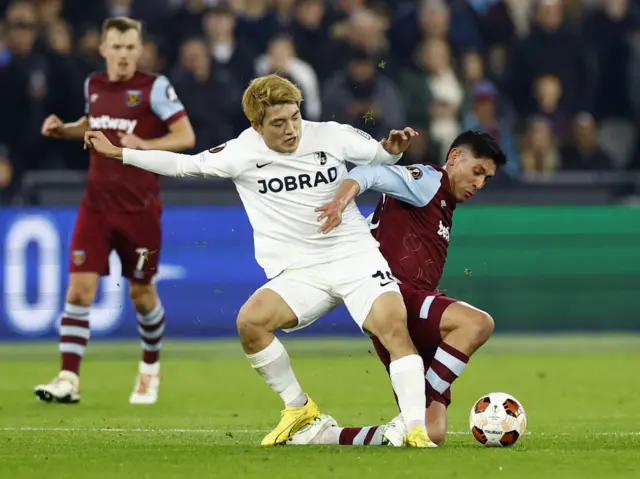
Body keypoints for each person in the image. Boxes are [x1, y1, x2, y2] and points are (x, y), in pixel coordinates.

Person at [81, 73, 435, 448]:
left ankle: (415, 427)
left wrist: (394, 148)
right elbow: (184, 165)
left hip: (354, 256)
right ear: (256, 125)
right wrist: (119, 153)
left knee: (393, 327)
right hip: (303, 271)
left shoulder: (331, 134)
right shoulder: (242, 152)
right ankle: (299, 408)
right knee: (251, 323)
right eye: (278, 123)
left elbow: (381, 156)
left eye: (295, 117)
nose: (291, 129)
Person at [290, 130, 507, 447]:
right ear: (455, 157)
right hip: (398, 297)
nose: (480, 184)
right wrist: (338, 202)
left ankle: (327, 436)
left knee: (432, 433)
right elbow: (368, 173)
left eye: (486, 179)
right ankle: (411, 412)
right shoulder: (429, 180)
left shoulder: (440, 202)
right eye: (477, 172)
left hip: (394, 311)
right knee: (477, 323)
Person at [34, 17, 195, 405]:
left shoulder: (155, 87)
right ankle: (68, 377)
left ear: (139, 50)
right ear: (103, 49)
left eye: (130, 47)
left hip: (141, 209)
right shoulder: (93, 85)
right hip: (96, 205)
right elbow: (96, 124)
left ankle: (150, 368)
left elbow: (186, 136)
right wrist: (66, 130)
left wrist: (146, 143)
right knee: (79, 288)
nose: (123, 54)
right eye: (116, 47)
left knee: (142, 294)